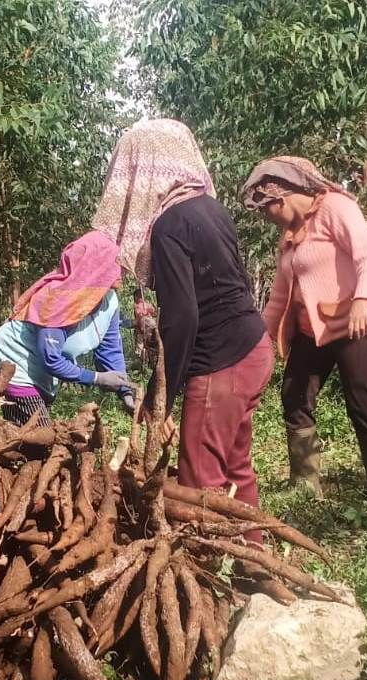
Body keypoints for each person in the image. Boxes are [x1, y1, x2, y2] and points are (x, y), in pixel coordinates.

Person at [92, 119, 273, 543]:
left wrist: (163, 401)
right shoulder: (213, 209)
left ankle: (213, 573)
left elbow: (184, 318)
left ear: (142, 172)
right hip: (253, 348)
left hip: (222, 363)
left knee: (199, 476)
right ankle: (254, 559)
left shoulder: (170, 224)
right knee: (236, 465)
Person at [240, 155, 367, 512]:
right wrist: (261, 339)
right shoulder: (289, 237)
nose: (267, 218)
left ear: (280, 198)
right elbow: (280, 295)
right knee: (295, 395)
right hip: (310, 332)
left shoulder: (335, 208)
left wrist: (363, 298)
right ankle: (306, 483)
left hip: (354, 323)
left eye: (267, 210)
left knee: (361, 401)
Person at [0, 231, 134, 426]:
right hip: (15, 360)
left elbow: (110, 349)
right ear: (97, 265)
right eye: (114, 263)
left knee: (33, 429)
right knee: (38, 435)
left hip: (43, 371)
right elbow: (51, 359)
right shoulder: (56, 300)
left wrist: (125, 390)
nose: (120, 271)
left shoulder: (110, 301)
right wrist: (97, 378)